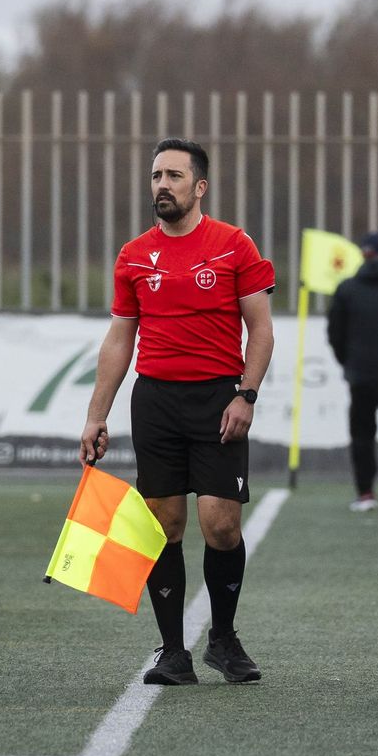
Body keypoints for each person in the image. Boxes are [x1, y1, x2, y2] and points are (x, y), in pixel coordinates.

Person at [79, 137, 275, 686]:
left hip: (218, 398)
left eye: (173, 176)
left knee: (221, 525)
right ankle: (172, 652)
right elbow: (120, 339)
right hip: (157, 401)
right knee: (163, 525)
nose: (162, 185)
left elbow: (260, 328)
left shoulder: (235, 245)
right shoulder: (134, 254)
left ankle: (223, 638)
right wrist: (97, 414)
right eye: (156, 176)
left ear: (200, 187)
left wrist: (247, 393)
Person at [326, 230, 378, 512]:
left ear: (364, 255)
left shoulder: (347, 289)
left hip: (360, 375)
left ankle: (366, 493)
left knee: (362, 435)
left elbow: (335, 333)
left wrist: (348, 362)